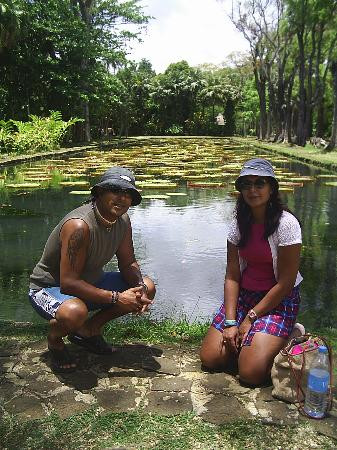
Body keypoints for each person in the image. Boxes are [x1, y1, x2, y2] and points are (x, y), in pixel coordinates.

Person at [29, 167, 155, 372]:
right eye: (115, 190)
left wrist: (139, 287)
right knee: (74, 312)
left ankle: (88, 331)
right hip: (50, 288)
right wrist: (117, 298)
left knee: (147, 287)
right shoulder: (79, 226)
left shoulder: (122, 220)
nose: (122, 198)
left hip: (89, 283)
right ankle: (55, 340)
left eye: (128, 194)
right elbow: (68, 283)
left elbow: (127, 262)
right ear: (99, 193)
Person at [200, 158, 304, 386]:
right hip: (245, 297)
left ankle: (290, 335)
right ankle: (257, 341)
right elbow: (232, 276)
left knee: (250, 373)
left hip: (278, 300)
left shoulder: (287, 225)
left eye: (259, 183)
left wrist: (249, 319)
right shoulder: (239, 223)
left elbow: (285, 284)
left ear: (271, 188)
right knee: (210, 358)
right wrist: (230, 322)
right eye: (246, 184)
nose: (252, 190)